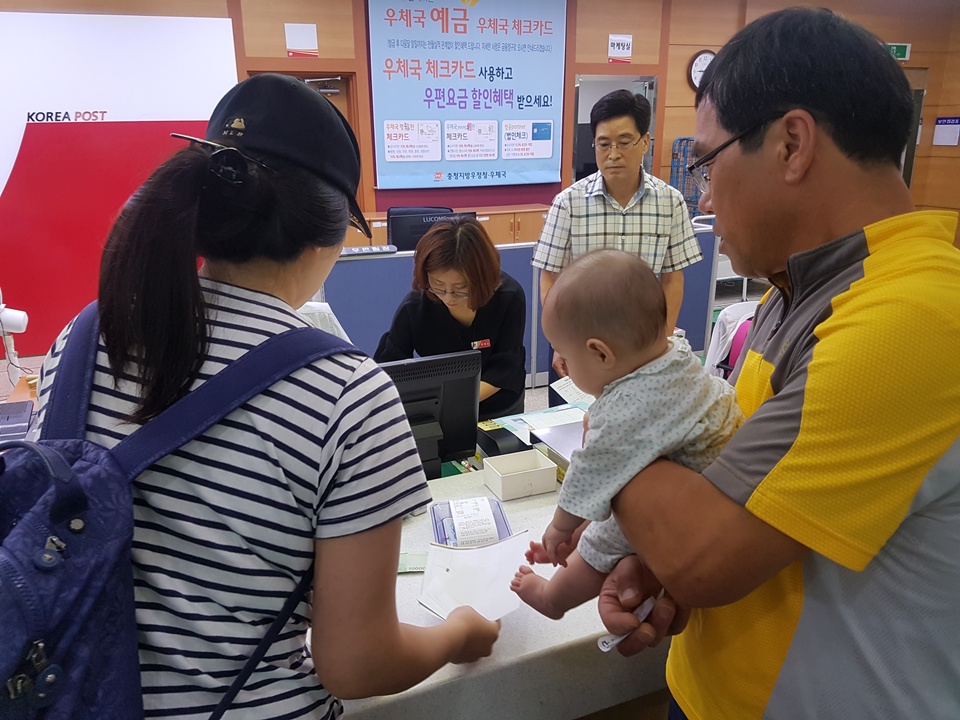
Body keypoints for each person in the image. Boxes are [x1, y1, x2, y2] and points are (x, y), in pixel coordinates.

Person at [36, 73, 499, 719]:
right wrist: (459, 633)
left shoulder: (83, 338)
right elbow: (357, 663)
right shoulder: (348, 394)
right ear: (328, 231)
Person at [596, 8, 960, 720]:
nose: (701, 196)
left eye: (705, 162)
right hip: (708, 692)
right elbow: (744, 499)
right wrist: (659, 557)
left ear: (792, 144)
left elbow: (706, 551)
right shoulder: (791, 293)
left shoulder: (915, 317)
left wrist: (612, 419)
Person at [509, 250, 742, 620]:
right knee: (612, 499)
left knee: (606, 540)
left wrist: (559, 527)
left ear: (601, 354)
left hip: (696, 500)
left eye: (565, 358)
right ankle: (575, 544)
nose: (563, 368)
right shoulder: (676, 352)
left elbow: (591, 472)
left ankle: (554, 599)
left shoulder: (627, 408)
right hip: (719, 471)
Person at [532, 89, 701, 377]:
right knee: (573, 420)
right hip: (578, 340)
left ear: (645, 142)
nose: (613, 155)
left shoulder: (670, 202)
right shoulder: (569, 203)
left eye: (624, 142)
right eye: (603, 144)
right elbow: (550, 277)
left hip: (641, 342)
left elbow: (673, 279)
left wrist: (663, 340)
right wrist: (560, 340)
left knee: (639, 419)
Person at [374, 215, 526, 420]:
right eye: (438, 285)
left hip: (497, 405)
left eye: (460, 289)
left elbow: (506, 366)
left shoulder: (508, 297)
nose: (448, 298)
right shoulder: (416, 306)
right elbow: (388, 365)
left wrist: (454, 400)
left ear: (482, 279)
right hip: (440, 408)